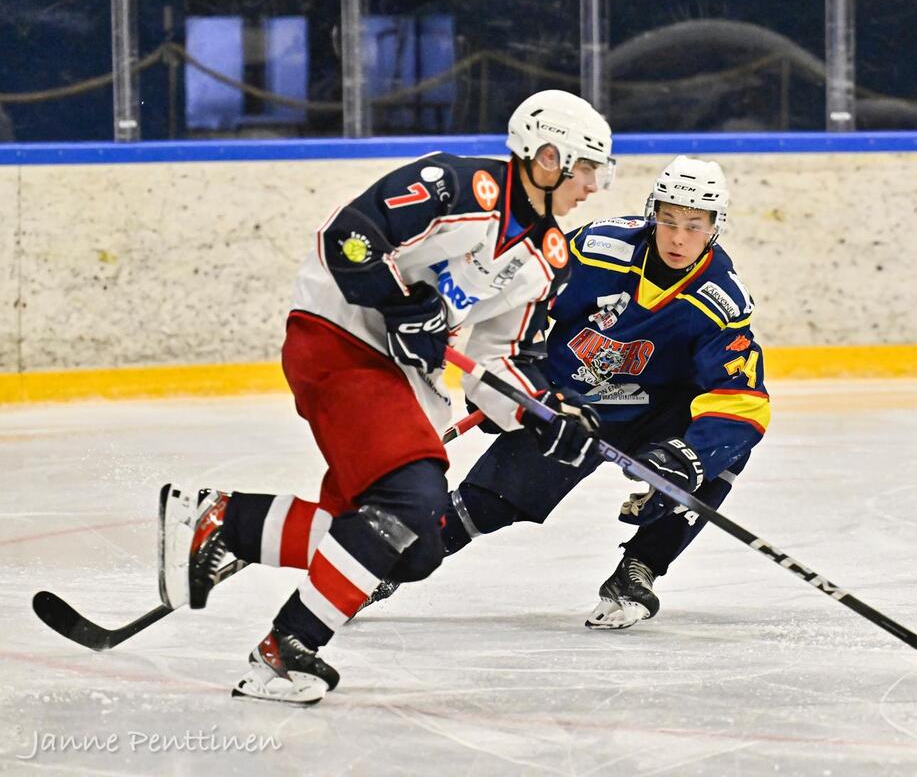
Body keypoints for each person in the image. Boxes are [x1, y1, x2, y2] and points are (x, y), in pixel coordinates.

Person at [158, 89, 614, 704]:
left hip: (399, 378)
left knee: (412, 549)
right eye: (586, 169)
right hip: (341, 338)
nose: (592, 186)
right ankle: (285, 650)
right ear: (548, 157)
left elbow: (498, 362)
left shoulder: (547, 259)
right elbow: (349, 236)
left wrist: (544, 414)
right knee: (409, 499)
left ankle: (224, 523)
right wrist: (402, 305)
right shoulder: (460, 184)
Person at [371, 155, 771, 629]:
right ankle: (381, 569)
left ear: (715, 227)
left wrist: (688, 459)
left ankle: (638, 569)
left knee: (716, 456)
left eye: (694, 225)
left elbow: (741, 402)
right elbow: (521, 302)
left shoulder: (721, 300)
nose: (678, 238)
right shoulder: (597, 250)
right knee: (484, 504)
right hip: (566, 405)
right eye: (668, 221)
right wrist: (506, 380)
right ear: (652, 213)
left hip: (654, 412)